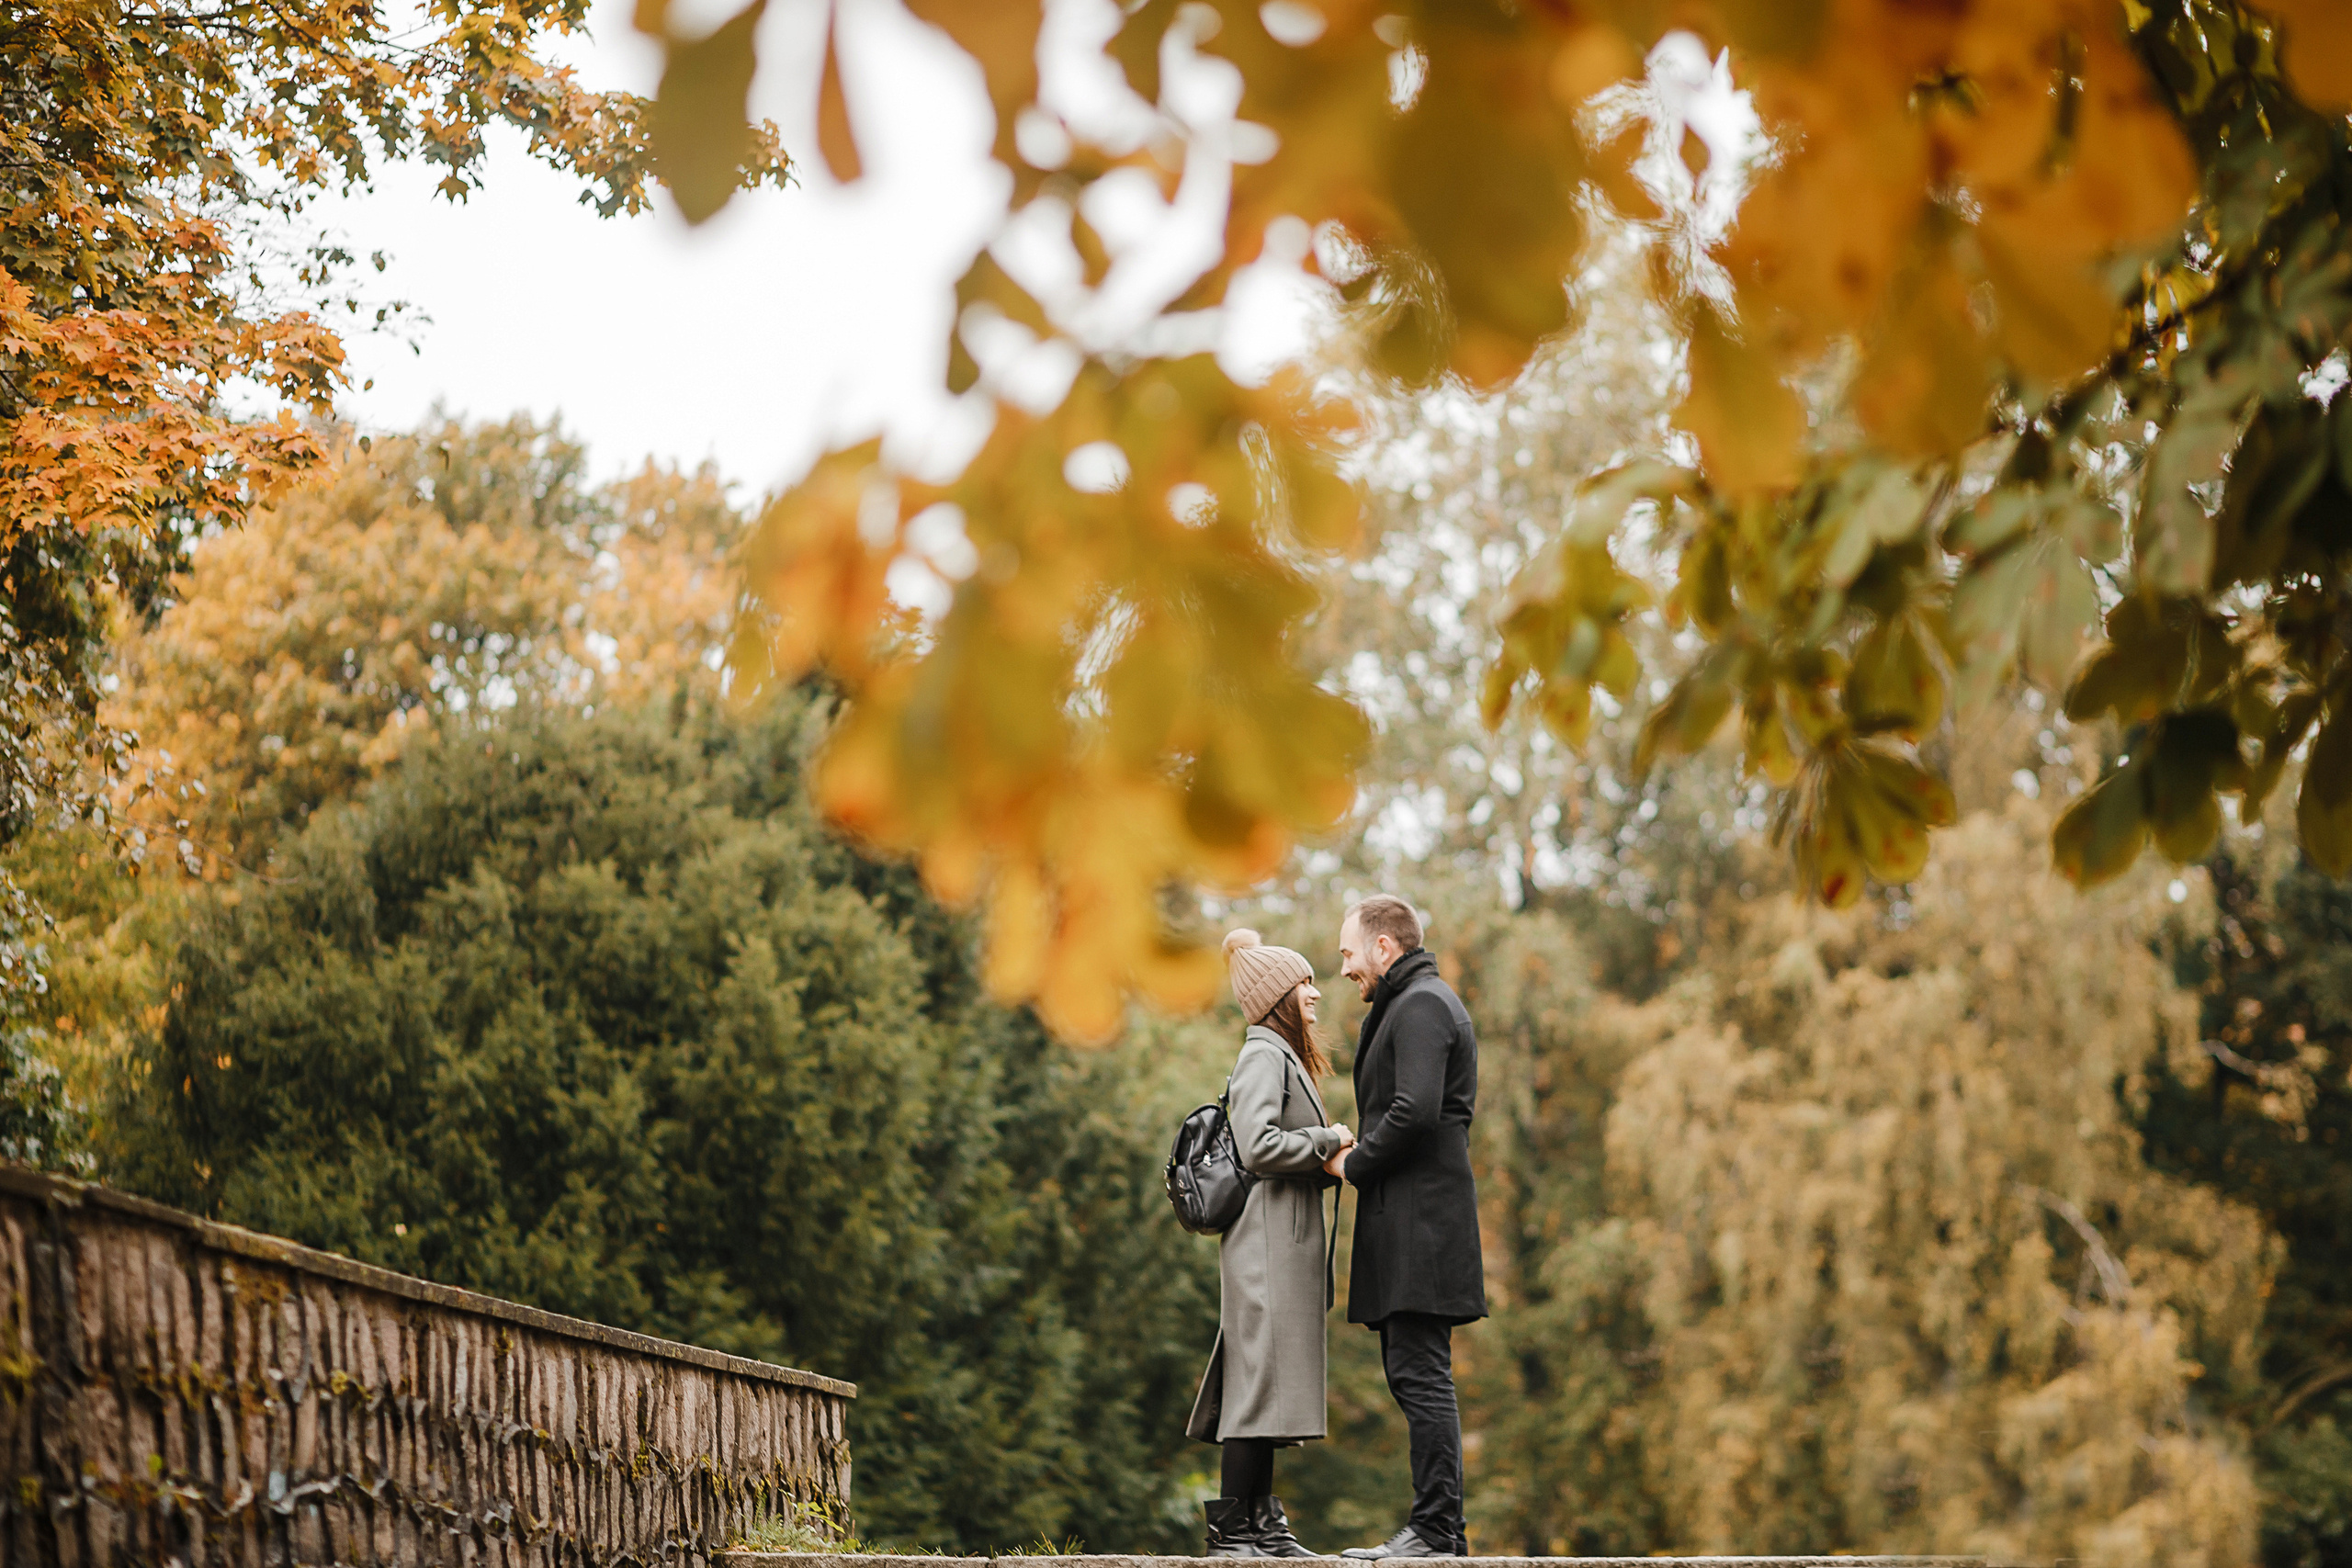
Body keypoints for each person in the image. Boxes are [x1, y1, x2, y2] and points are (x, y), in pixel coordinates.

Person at [1188, 929, 1358, 1558]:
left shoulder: (1280, 1054)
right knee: (1258, 1381)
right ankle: (1233, 1530)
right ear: (1278, 995)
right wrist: (1328, 1137)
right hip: (1262, 1242)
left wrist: (1321, 1154)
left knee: (1270, 1380)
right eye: (1305, 983)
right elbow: (1258, 1145)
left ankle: (1260, 1522)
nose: (1315, 993)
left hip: (1280, 1240)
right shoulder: (1262, 1054)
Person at [1327, 896, 1485, 1560]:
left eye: (1347, 953)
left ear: (1383, 947)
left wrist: (1353, 1160)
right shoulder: (1412, 1000)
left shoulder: (1421, 1004)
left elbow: (1415, 1109)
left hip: (1424, 1222)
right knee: (1411, 1370)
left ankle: (1435, 1532)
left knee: (1419, 1372)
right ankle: (1439, 1529)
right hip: (1414, 1217)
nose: (1343, 969)